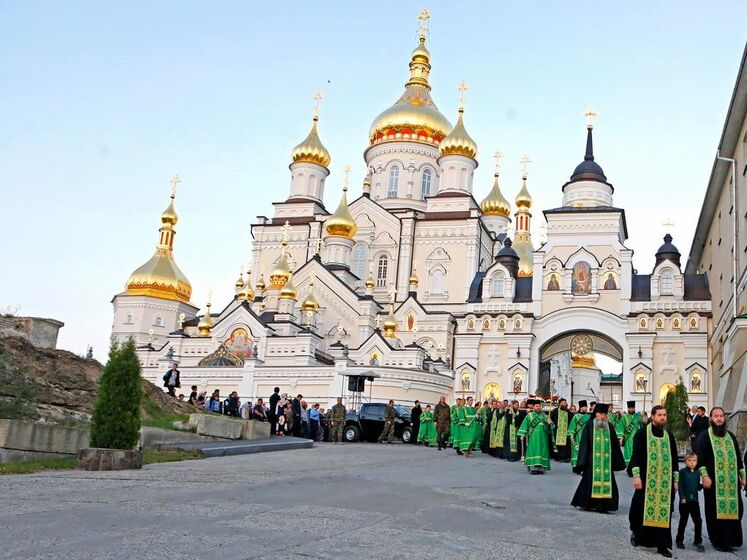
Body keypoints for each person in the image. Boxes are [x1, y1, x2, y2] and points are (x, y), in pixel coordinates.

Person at [628, 405, 679, 558]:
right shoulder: (642, 434)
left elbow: (674, 460)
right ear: (652, 416)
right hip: (645, 480)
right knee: (639, 508)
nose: (663, 417)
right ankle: (637, 534)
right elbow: (636, 456)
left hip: (664, 483)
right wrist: (636, 476)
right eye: (659, 415)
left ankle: (662, 545)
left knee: (664, 512)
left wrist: (675, 480)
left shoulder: (669, 436)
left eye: (664, 415)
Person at [694, 406, 745, 552]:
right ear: (711, 418)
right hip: (713, 481)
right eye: (716, 416)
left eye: (721, 416)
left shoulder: (731, 436)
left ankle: (732, 540)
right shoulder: (704, 436)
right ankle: (718, 541)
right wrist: (704, 476)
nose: (719, 419)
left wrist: (743, 476)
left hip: (732, 482)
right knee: (714, 511)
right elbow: (699, 457)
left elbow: (738, 458)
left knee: (737, 509)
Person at [571, 403, 626, 512]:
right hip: (592, 461)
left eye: (605, 414)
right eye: (601, 414)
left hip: (606, 462)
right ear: (596, 414)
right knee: (589, 482)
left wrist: (616, 461)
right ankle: (589, 504)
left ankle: (604, 506)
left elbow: (614, 445)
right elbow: (584, 444)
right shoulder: (589, 425)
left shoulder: (609, 426)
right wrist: (582, 462)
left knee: (607, 482)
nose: (603, 417)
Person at [675, 452, 704, 552]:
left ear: (697, 462)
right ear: (685, 462)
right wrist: (682, 497)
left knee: (698, 521)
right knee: (683, 520)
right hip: (685, 501)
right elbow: (680, 486)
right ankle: (679, 540)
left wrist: (702, 483)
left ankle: (697, 541)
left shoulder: (697, 473)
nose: (692, 462)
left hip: (694, 501)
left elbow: (698, 488)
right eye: (689, 460)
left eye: (694, 460)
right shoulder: (682, 472)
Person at [517, 399, 551, 474]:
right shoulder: (529, 416)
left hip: (542, 438)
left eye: (539, 406)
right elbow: (524, 425)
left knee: (542, 451)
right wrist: (522, 434)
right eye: (536, 406)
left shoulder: (545, 416)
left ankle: (541, 468)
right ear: (533, 407)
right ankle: (533, 468)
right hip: (533, 437)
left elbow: (551, 426)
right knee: (533, 451)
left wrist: (549, 423)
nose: (538, 407)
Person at [621, 400, 644, 468]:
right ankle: (629, 469)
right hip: (628, 439)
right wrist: (621, 437)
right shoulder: (624, 417)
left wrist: (643, 420)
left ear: (634, 408)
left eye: (632, 408)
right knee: (628, 454)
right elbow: (621, 427)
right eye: (630, 408)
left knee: (636, 453)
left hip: (637, 438)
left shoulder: (638, 416)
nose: (631, 410)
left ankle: (636, 468)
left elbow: (642, 426)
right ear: (628, 408)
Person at [568, 400, 590, 470]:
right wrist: (571, 434)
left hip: (586, 436)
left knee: (585, 451)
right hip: (577, 436)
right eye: (585, 407)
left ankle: (583, 466)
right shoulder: (576, 416)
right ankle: (576, 466)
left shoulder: (588, 416)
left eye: (586, 407)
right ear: (581, 407)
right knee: (576, 451)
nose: (586, 408)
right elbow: (572, 426)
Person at [550, 398, 573, 463]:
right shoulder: (555, 411)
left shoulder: (568, 412)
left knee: (565, 445)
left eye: (566, 403)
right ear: (560, 403)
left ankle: (565, 457)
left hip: (565, 431)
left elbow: (572, 419)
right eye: (564, 403)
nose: (565, 404)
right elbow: (551, 419)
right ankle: (558, 457)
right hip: (557, 431)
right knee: (558, 445)